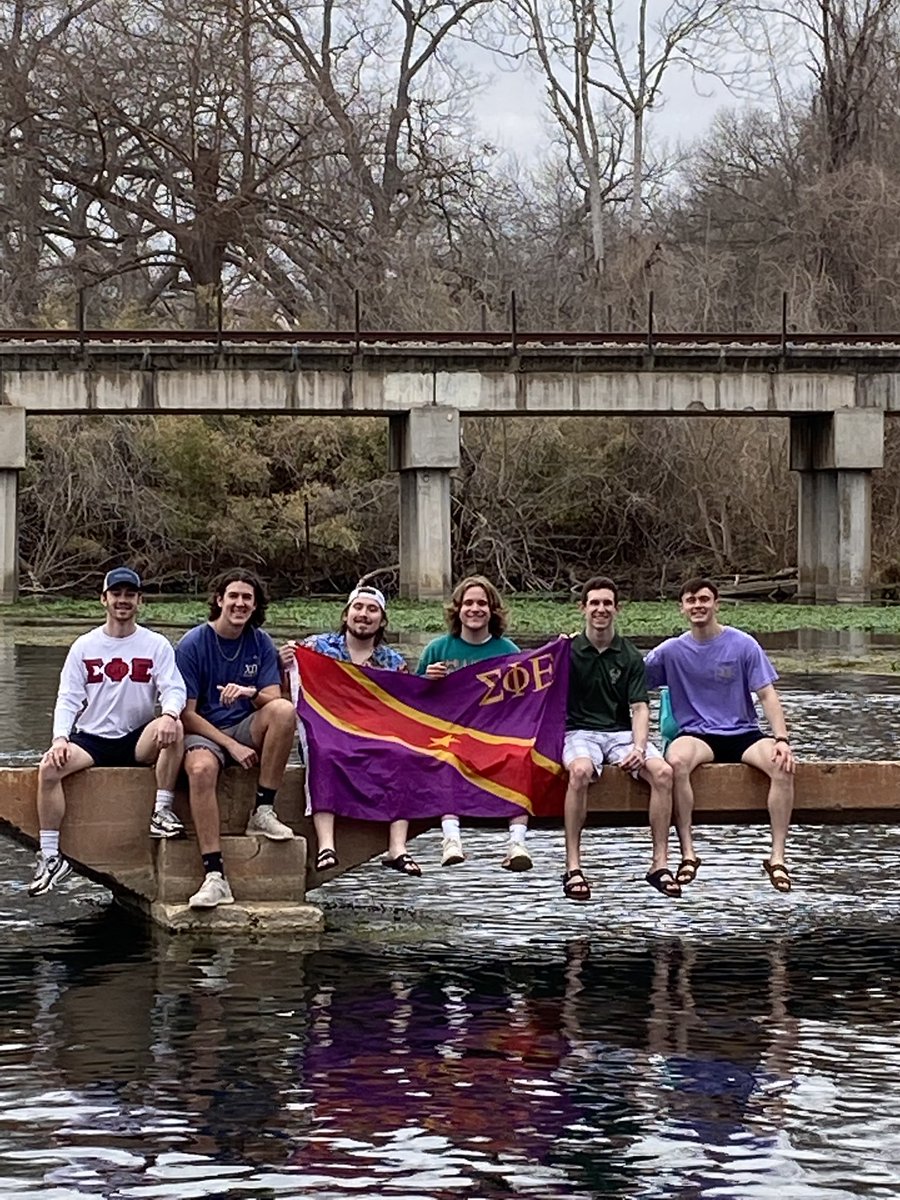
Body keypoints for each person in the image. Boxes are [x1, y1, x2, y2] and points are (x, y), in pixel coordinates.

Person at [30, 567, 186, 897]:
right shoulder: (84, 646)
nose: (123, 600)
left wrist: (170, 713)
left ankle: (161, 811)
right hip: (92, 739)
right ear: (104, 599)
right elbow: (68, 698)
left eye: (130, 595)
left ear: (139, 601)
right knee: (48, 767)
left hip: (137, 738)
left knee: (175, 727)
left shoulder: (155, 644)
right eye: (116, 594)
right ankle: (50, 855)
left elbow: (174, 689)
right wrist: (60, 737)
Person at [644, 577, 796, 892]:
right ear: (682, 608)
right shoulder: (670, 651)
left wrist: (781, 739)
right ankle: (688, 852)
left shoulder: (743, 644)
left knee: (782, 764)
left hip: (743, 732)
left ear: (716, 603)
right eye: (691, 600)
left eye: (704, 599)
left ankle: (778, 858)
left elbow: (767, 695)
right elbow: (630, 679)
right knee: (676, 760)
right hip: (697, 734)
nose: (698, 605)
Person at [175, 569, 297, 910]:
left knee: (285, 712)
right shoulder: (193, 643)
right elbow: (185, 714)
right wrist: (230, 745)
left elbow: (274, 700)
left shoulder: (260, 641)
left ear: (255, 605)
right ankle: (215, 876)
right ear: (219, 600)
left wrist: (249, 692)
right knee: (200, 769)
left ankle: (264, 808)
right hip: (204, 731)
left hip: (244, 724)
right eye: (234, 596)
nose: (240, 604)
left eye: (247, 598)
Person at [281, 584, 422, 876]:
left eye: (372, 610)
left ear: (382, 621)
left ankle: (397, 847)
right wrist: (283, 662)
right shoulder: (315, 648)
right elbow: (285, 689)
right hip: (328, 734)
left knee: (403, 755)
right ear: (346, 615)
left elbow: (407, 710)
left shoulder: (392, 663)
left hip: (372, 738)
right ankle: (326, 845)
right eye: (358, 608)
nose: (364, 615)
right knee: (323, 750)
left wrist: (431, 682)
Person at [562, 576, 676, 902]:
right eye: (594, 603)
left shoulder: (629, 655)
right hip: (578, 731)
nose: (601, 609)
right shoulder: (566, 650)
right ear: (583, 608)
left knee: (664, 773)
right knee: (581, 771)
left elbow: (639, 707)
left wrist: (640, 748)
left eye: (607, 603)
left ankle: (659, 864)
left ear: (617, 609)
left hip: (620, 733)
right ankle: (573, 866)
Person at [416, 575, 527, 870]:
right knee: (446, 759)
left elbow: (524, 701)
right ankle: (451, 839)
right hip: (450, 734)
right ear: (457, 609)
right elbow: (412, 701)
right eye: (468, 603)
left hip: (494, 734)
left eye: (481, 603)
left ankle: (517, 842)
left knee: (519, 759)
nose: (474, 609)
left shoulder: (508, 651)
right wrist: (427, 681)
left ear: (492, 610)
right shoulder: (437, 650)